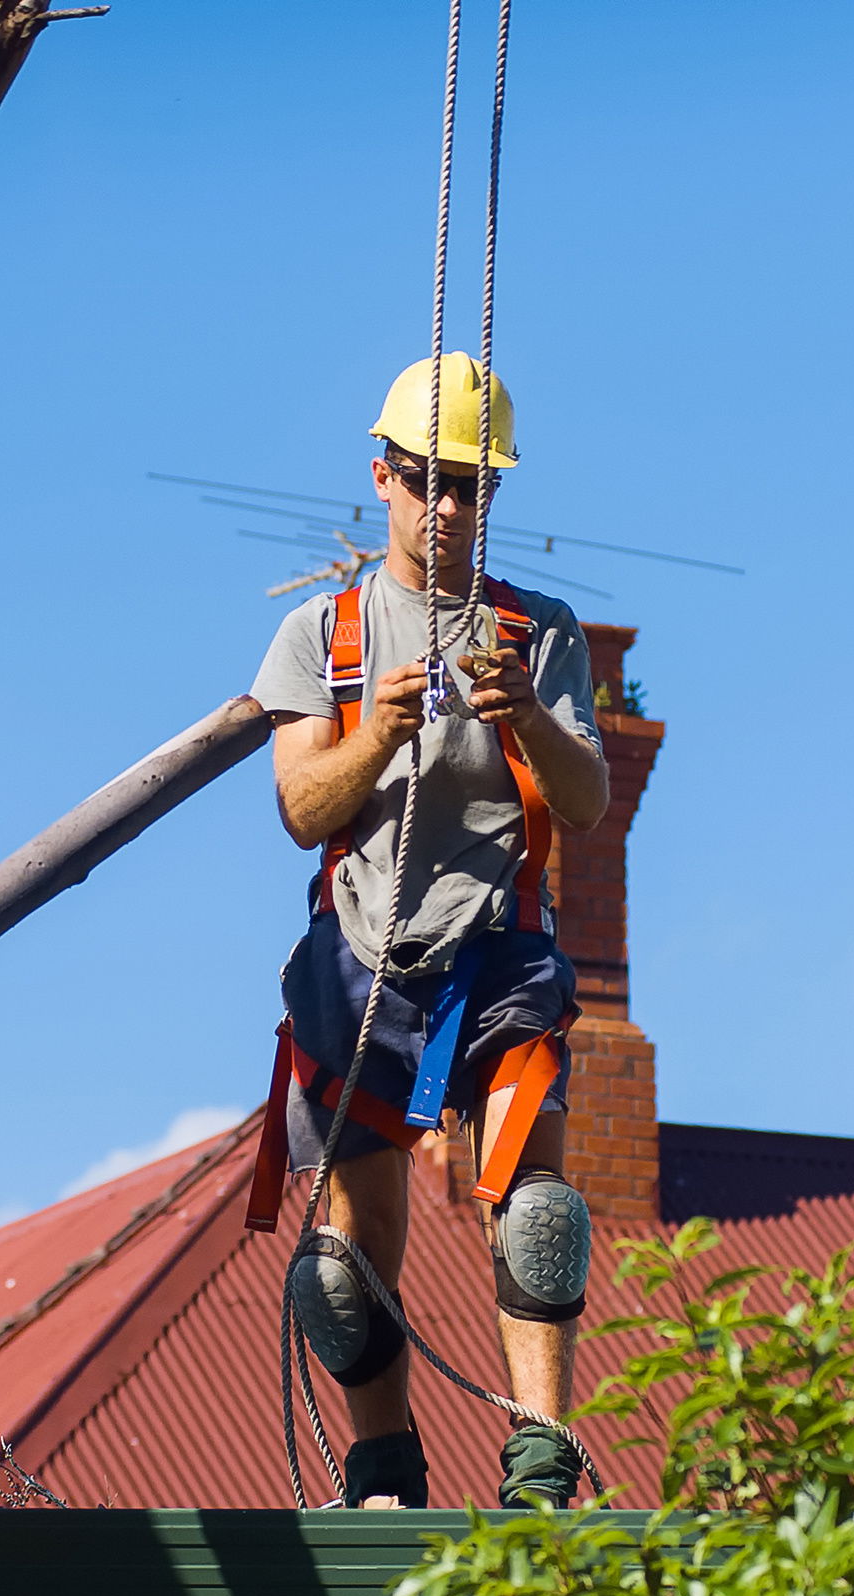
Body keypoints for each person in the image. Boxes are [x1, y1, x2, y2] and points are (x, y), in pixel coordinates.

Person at [246, 353, 609, 1509]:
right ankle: (382, 1468)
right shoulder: (326, 635)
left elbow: (588, 799)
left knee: (537, 1213)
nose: (448, 508)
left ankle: (541, 1457)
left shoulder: (535, 631)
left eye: (471, 487)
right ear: (383, 477)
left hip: (496, 945)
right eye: (426, 481)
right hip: (365, 958)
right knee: (346, 1272)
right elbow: (302, 805)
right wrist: (376, 733)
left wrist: (524, 721)